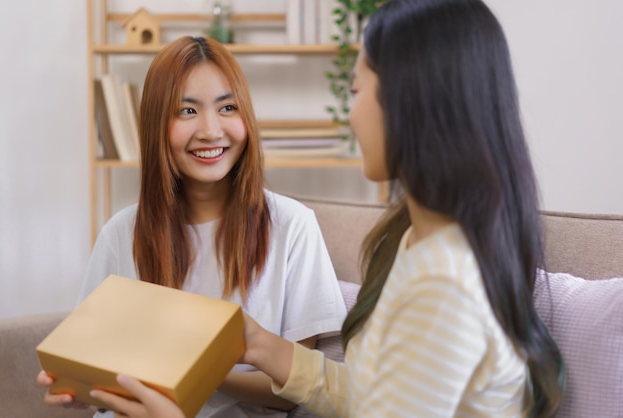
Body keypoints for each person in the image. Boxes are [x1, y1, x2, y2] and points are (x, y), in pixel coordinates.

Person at [72, 0, 567, 416]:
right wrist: (248, 343)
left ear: (412, 103)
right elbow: (363, 395)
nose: (348, 112)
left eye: (354, 91)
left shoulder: (442, 279)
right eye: (187, 110)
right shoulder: (419, 243)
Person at [36, 35, 347, 418]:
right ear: (155, 123)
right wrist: (86, 386)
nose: (211, 130)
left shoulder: (291, 226)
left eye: (227, 107)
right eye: (187, 111)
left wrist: (190, 374)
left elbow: (291, 390)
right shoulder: (121, 233)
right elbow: (92, 362)